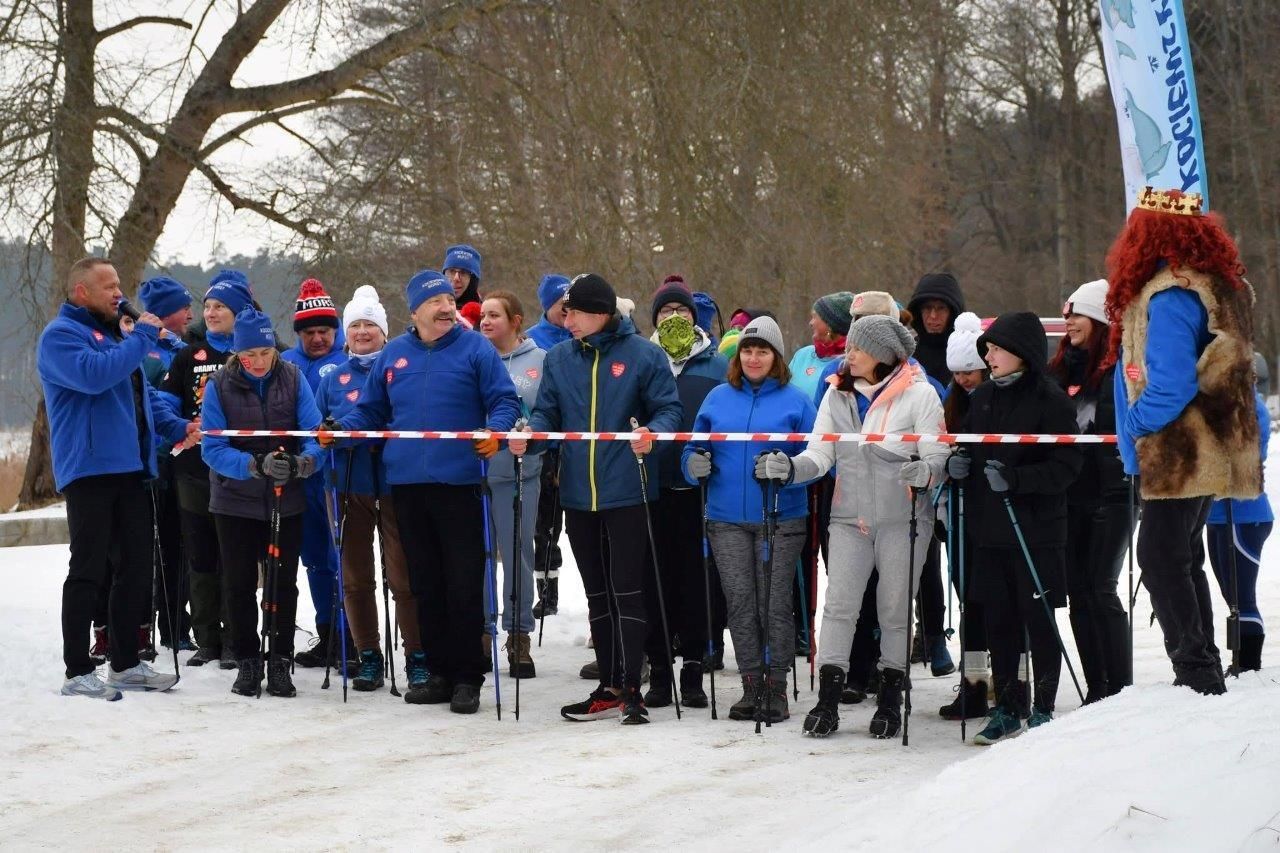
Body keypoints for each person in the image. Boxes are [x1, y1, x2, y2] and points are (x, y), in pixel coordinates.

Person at [323, 270, 521, 714]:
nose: (447, 307)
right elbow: (370, 411)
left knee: (464, 581)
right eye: (435, 301)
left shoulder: (476, 349)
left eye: (449, 301)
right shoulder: (394, 355)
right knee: (424, 583)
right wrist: (339, 431)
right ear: (415, 311)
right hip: (408, 485)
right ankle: (438, 673)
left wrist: (495, 431)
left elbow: (505, 401)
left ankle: (468, 675)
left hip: (461, 483)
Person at [1107, 187, 1260, 696]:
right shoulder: (1215, 288)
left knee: (1160, 554)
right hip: (1207, 444)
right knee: (1181, 554)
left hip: (1180, 450)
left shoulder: (1170, 295)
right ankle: (1202, 668)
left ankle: (1195, 672)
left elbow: (1171, 383)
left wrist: (1134, 424)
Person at [510, 273, 682, 725]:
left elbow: (669, 410)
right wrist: (531, 435)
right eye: (565, 312)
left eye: (575, 313)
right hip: (577, 496)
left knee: (628, 590)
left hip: (628, 491)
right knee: (597, 594)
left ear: (601, 313)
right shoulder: (561, 359)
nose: (566, 321)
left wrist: (654, 435)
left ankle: (632, 688)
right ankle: (608, 685)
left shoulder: (644, 354)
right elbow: (547, 413)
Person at [765, 315, 946, 738]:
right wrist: (790, 469)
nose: (848, 355)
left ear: (882, 356)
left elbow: (937, 454)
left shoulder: (919, 395)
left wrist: (926, 472)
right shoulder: (837, 395)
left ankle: (889, 699)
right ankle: (828, 701)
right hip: (848, 517)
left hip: (903, 519)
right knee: (840, 605)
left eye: (857, 349)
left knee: (894, 607)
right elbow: (820, 455)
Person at [39, 257, 189, 699]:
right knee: (88, 567)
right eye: (110, 287)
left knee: (137, 568)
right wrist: (142, 337)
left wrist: (178, 426)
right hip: (88, 468)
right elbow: (95, 376)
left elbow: (142, 394)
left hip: (130, 468)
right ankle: (78, 670)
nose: (120, 294)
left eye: (120, 284)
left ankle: (125, 663)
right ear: (82, 292)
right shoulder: (61, 337)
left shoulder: (115, 336)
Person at [947, 311, 1081, 744]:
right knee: (999, 619)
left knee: (1037, 619)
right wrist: (959, 466)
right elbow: (969, 443)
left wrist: (1019, 480)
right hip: (990, 532)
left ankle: (1042, 706)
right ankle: (1005, 704)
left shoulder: (1051, 399)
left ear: (1021, 352)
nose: (988, 355)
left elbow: (1067, 466)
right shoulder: (983, 397)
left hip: (1036, 532)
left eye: (996, 348)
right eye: (987, 348)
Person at [681, 316, 811, 722]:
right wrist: (693, 465)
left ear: (777, 356)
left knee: (772, 604)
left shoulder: (797, 401)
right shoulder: (719, 397)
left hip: (781, 517)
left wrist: (786, 467)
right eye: (748, 351)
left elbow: (818, 459)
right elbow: (692, 449)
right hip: (725, 518)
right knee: (739, 603)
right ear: (738, 356)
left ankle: (776, 686)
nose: (754, 358)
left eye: (763, 350)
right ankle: (751, 683)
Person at [201, 306, 324, 697]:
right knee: (238, 584)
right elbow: (212, 447)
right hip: (235, 499)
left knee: (282, 583)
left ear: (275, 350)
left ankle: (280, 661)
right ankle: (247, 660)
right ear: (236, 354)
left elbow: (314, 433)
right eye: (248, 355)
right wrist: (253, 465)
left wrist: (304, 462)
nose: (257, 362)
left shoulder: (293, 377)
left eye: (264, 354)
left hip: (285, 500)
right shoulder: (219, 386)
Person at [315, 285, 424, 692]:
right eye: (356, 325)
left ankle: (416, 653)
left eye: (370, 325)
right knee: (356, 575)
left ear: (384, 331)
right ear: (346, 333)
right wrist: (334, 436)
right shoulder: (332, 377)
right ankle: (368, 656)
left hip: (396, 483)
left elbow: (405, 420)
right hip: (347, 485)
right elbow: (320, 426)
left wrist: (363, 432)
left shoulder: (401, 368)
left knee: (405, 576)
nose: (363, 332)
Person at [159, 270, 254, 670]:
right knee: (200, 556)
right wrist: (181, 426)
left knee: (235, 557)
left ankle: (237, 638)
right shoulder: (187, 356)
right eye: (208, 306)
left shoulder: (256, 355)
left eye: (221, 307)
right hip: (193, 471)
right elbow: (163, 403)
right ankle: (207, 639)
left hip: (237, 472)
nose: (211, 313)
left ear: (240, 311)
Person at [1047, 280, 1133, 702]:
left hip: (1114, 494)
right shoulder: (1061, 369)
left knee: (1102, 587)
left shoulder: (1119, 368)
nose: (1068, 323)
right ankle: (1097, 689)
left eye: (1076, 314)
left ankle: (1121, 687)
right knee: (1079, 592)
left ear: (1100, 319)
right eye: (1066, 316)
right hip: (1071, 496)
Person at [644, 278, 728, 709]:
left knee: (697, 582)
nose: (673, 319)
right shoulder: (644, 359)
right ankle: (659, 670)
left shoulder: (716, 363)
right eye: (664, 313)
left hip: (700, 488)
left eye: (681, 313)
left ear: (694, 318)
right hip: (653, 486)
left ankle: (694, 666)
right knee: (656, 578)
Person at [282, 278, 354, 671]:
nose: (317, 338)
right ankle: (326, 632)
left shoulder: (345, 363)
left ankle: (353, 635)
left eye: (324, 331)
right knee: (314, 559)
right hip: (301, 477)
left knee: (342, 557)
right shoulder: (287, 365)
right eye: (309, 332)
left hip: (339, 476)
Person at [477, 289, 545, 679]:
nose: (485, 322)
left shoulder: (539, 360)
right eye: (482, 316)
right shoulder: (473, 356)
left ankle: (518, 635)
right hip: (475, 472)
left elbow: (550, 411)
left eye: (494, 316)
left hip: (520, 472)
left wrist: (532, 433)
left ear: (515, 320)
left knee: (518, 551)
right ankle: (482, 632)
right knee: (480, 554)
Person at [937, 310, 993, 719]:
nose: (964, 380)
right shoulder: (951, 401)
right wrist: (949, 466)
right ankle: (973, 683)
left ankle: (1009, 680)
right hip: (960, 515)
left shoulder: (998, 400)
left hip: (996, 514)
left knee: (999, 602)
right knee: (970, 601)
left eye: (971, 371)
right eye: (957, 373)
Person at [139, 275, 195, 655]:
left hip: (182, 461)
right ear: (162, 312)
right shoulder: (145, 351)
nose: (190, 312)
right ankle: (144, 625)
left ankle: (177, 625)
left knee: (180, 548)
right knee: (150, 550)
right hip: (152, 463)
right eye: (182, 306)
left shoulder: (187, 348)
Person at [1206, 385, 1271, 672]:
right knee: (1230, 595)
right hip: (1216, 514)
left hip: (1244, 513)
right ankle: (1240, 663)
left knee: (1241, 597)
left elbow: (1254, 452)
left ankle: (1247, 665)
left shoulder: (1249, 402)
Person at [525, 272, 572, 617]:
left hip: (578, 442)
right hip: (546, 449)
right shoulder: (534, 340)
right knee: (545, 526)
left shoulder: (582, 333)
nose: (568, 312)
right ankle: (547, 590)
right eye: (562, 306)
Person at [789, 291, 853, 400]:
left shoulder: (849, 362)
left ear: (830, 324)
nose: (811, 323)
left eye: (815, 317)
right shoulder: (802, 355)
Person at [906, 272, 965, 387]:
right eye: (927, 308)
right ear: (918, 312)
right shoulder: (906, 350)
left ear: (952, 313)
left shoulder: (967, 350)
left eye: (941, 308)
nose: (933, 316)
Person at [442, 243, 483, 329]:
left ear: (473, 280)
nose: (456, 278)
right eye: (452, 271)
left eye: (463, 272)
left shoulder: (486, 316)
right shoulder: (430, 310)